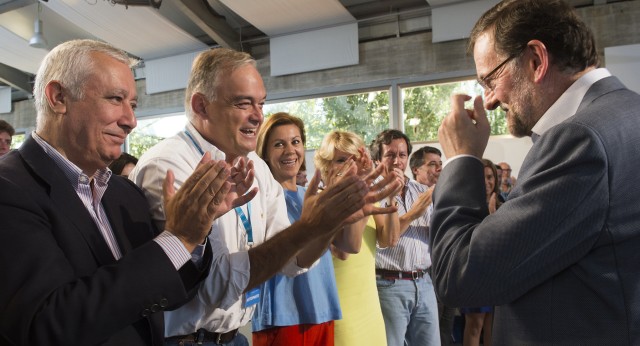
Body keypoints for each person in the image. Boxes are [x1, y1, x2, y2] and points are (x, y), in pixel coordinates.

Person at [130, 48, 399, 345]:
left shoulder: (256, 165)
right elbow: (214, 286)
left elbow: (294, 260)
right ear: (201, 106)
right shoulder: (169, 165)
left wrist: (325, 226)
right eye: (243, 103)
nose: (258, 116)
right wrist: (310, 226)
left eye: (261, 103)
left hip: (234, 338)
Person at [0, 39, 251, 345]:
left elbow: (166, 294)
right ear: (59, 97)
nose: (130, 121)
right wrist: (178, 238)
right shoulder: (10, 189)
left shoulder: (125, 194)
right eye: (115, 99)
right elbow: (49, 323)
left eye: (132, 105)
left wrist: (196, 233)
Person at [431, 0, 640, 344]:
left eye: (490, 79)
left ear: (536, 60)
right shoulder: (625, 113)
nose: (491, 100)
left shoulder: (579, 140)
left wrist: (461, 159)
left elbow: (461, 275)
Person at [251, 112, 340, 345]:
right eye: (279, 144)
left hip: (323, 309)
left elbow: (347, 248)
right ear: (265, 153)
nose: (290, 150)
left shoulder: (311, 197)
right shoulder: (260, 199)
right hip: (283, 317)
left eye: (296, 141)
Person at [314, 130, 403, 346]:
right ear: (326, 165)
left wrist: (390, 195)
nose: (349, 166)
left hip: (370, 309)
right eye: (341, 160)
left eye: (354, 160)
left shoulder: (367, 199)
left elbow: (389, 240)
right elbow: (346, 250)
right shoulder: (321, 202)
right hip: (341, 314)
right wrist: (363, 193)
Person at [369, 129, 440, 346]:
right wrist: (414, 213)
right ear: (377, 159)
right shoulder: (372, 193)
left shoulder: (421, 190)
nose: (397, 161)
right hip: (389, 285)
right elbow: (384, 239)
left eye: (402, 155)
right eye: (390, 155)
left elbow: (436, 235)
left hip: (424, 281)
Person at [458, 159, 503, 346]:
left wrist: (495, 212)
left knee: (494, 325)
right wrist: (490, 215)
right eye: (481, 177)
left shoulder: (505, 203)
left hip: (499, 272)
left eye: (490, 177)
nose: (486, 182)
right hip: (474, 271)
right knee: (475, 324)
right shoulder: (466, 206)